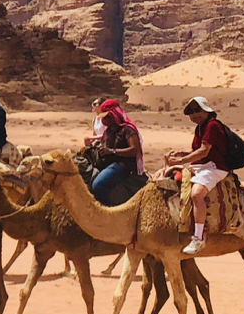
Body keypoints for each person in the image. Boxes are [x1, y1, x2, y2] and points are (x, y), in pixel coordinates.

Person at [160, 96, 232, 254]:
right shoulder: (201, 127)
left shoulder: (212, 125)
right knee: (164, 177)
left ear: (206, 110)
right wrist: (182, 153)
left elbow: (204, 151)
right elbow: (198, 150)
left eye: (197, 111)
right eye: (191, 112)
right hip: (202, 165)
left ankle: (198, 238)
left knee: (197, 194)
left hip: (215, 167)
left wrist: (182, 159)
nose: (195, 115)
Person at [85, 97, 144, 204]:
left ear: (114, 115)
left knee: (98, 185)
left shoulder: (127, 129)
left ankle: (108, 210)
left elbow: (135, 150)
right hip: (107, 163)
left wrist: (113, 151)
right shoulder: (108, 131)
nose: (105, 120)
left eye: (107, 117)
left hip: (123, 165)